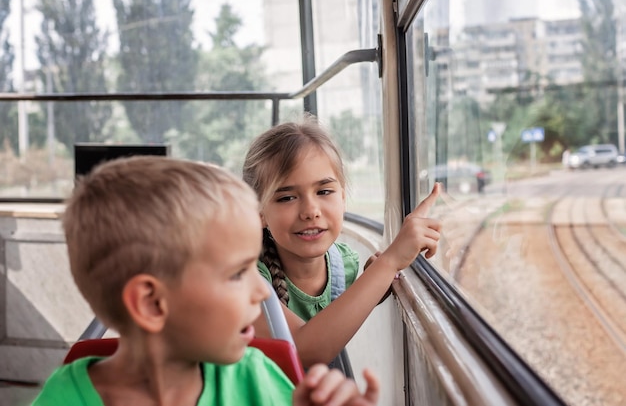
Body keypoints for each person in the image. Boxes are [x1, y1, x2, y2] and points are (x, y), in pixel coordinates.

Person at [31, 156, 379, 406]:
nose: (262, 291)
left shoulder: (256, 376)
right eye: (237, 274)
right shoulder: (63, 399)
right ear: (152, 303)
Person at [243, 115, 442, 368]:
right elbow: (302, 352)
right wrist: (389, 263)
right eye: (287, 198)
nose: (310, 211)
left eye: (324, 192)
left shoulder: (343, 264)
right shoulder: (246, 279)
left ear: (343, 197)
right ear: (259, 211)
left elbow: (335, 316)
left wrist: (374, 281)